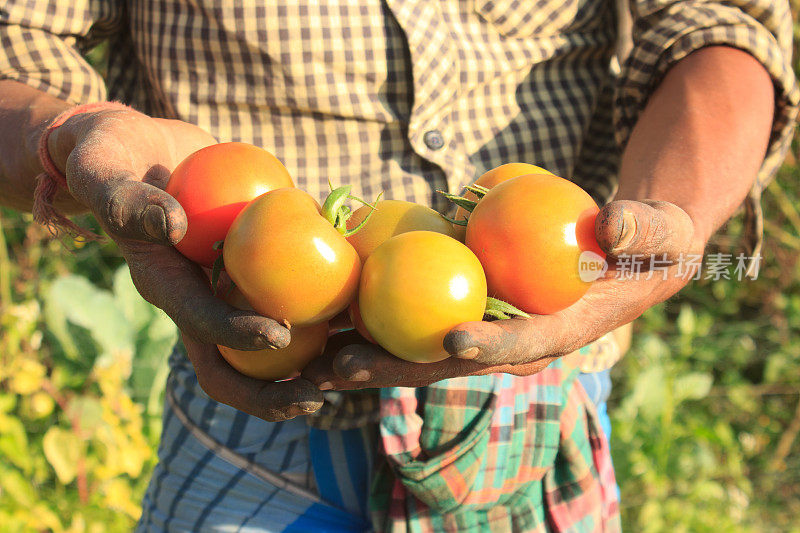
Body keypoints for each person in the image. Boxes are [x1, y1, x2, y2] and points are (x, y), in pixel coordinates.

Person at [1, 0, 796, 531]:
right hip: (248, 420)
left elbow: (720, 19)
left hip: (542, 416)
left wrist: (673, 217)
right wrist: (71, 136)